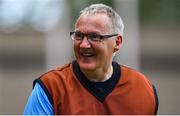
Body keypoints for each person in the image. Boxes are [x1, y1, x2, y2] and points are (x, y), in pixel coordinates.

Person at [23, 3, 159, 115]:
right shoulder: (50, 88)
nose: (84, 44)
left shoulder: (143, 89)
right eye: (78, 35)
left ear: (117, 42)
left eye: (95, 37)